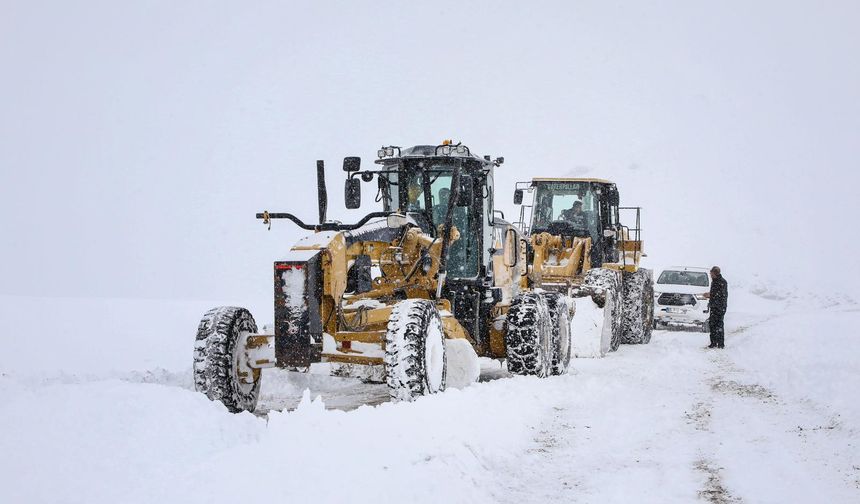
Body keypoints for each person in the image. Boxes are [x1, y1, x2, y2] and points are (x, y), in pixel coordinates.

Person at [703, 266, 728, 349]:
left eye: (711, 273)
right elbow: (715, 293)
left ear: (715, 273)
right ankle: (713, 343)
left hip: (720, 307)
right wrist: (710, 295)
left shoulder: (722, 282)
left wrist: (710, 295)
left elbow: (721, 295)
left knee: (719, 325)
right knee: (712, 324)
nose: (710, 274)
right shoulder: (714, 281)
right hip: (714, 306)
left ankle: (721, 344)